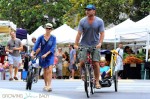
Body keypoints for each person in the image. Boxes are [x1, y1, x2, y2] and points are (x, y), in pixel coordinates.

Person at [74, 4, 105, 89]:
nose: (87, 11)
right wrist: (76, 44)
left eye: (89, 10)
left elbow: (102, 33)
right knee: (82, 62)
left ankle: (97, 81)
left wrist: (100, 43)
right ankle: (84, 72)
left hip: (95, 44)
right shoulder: (82, 21)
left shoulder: (99, 21)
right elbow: (79, 33)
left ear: (94, 11)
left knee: (95, 63)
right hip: (84, 44)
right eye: (86, 10)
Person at [31, 23, 56, 92]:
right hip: (42, 56)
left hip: (50, 55)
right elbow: (36, 46)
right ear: (45, 29)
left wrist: (47, 54)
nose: (48, 30)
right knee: (45, 70)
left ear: (51, 29)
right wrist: (32, 53)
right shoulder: (41, 37)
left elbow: (53, 47)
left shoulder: (53, 38)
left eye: (50, 28)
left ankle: (49, 85)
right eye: (47, 28)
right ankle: (45, 84)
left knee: (50, 69)